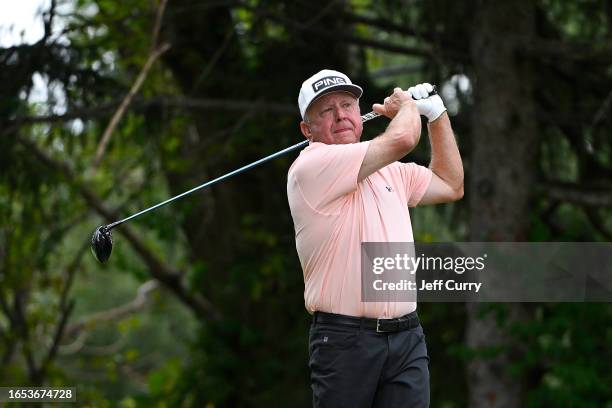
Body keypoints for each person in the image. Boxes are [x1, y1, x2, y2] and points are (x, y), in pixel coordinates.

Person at [286, 69, 463, 407]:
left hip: (406, 338)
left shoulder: (391, 173)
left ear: (360, 114)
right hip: (344, 341)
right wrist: (408, 106)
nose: (341, 115)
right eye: (326, 110)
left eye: (348, 105)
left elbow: (451, 184)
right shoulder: (310, 167)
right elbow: (402, 140)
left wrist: (436, 116)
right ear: (307, 130)